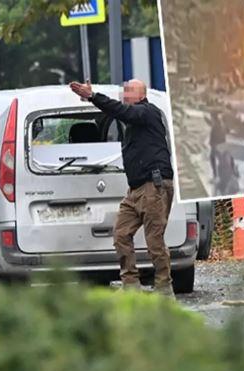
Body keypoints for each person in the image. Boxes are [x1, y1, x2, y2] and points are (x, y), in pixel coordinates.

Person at [69, 79, 176, 296]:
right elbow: (117, 111)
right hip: (136, 189)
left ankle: (164, 287)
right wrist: (92, 100)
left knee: (154, 239)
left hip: (153, 186)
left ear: (140, 94)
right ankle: (130, 284)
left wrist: (93, 96)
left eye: (128, 91)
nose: (124, 95)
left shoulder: (147, 112)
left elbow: (122, 111)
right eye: (124, 91)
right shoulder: (133, 118)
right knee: (120, 234)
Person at [204, 110, 226, 178]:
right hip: (219, 143)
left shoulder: (216, 124)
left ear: (213, 117)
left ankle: (217, 174)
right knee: (217, 158)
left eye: (211, 116)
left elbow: (215, 134)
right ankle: (218, 173)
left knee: (214, 158)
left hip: (216, 144)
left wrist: (212, 143)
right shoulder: (218, 122)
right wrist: (205, 119)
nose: (211, 118)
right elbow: (211, 123)